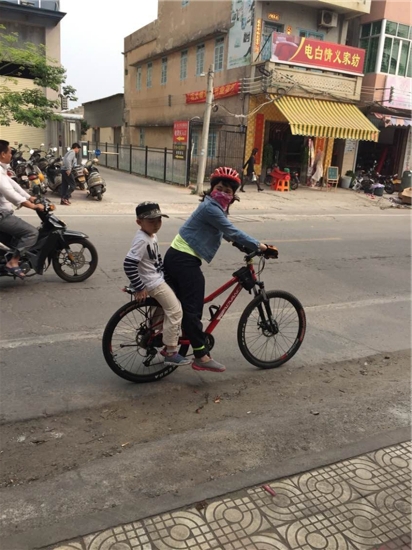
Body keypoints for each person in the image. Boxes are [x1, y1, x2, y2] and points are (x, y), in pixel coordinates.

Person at [163, 166, 278, 373]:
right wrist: (261, 247)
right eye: (220, 188)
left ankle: (173, 344)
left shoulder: (214, 208)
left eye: (228, 191)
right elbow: (232, 231)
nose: (223, 193)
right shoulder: (211, 208)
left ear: (233, 196)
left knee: (184, 306)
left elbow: (224, 232)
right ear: (212, 188)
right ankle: (201, 356)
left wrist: (240, 245)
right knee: (193, 309)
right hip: (184, 260)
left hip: (178, 257)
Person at [124, 201, 191, 367]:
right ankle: (171, 352)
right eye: (151, 221)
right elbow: (129, 264)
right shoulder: (142, 240)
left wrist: (165, 275)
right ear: (139, 222)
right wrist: (139, 287)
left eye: (159, 220)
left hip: (156, 278)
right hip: (152, 283)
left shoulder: (151, 236)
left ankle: (157, 332)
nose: (156, 224)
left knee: (166, 307)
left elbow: (156, 259)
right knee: (175, 311)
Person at [0, 139, 45, 279]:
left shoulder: (2, 170)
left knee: (15, 238)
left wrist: (30, 197)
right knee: (31, 233)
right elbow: (10, 193)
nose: (11, 155)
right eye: (9, 152)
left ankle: (12, 257)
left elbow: (14, 185)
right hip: (2, 215)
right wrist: (32, 206)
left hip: (4, 213)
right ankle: (13, 262)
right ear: (2, 154)